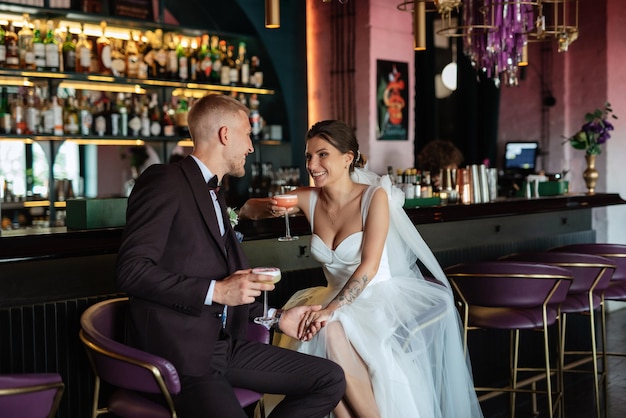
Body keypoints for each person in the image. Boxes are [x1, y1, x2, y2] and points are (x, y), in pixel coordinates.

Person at [115, 95, 345, 418]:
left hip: (225, 347)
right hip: (180, 356)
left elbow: (226, 281)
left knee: (330, 379)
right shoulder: (164, 181)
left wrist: (278, 318)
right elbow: (131, 272)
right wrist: (217, 291)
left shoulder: (216, 193)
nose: (251, 147)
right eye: (247, 135)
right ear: (225, 135)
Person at [239, 120, 483, 418]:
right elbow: (249, 208)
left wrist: (332, 309)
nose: (312, 164)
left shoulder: (373, 197)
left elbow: (369, 266)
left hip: (376, 297)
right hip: (331, 296)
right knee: (320, 337)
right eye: (308, 156)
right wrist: (270, 208)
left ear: (347, 158)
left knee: (324, 330)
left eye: (322, 155)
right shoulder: (307, 198)